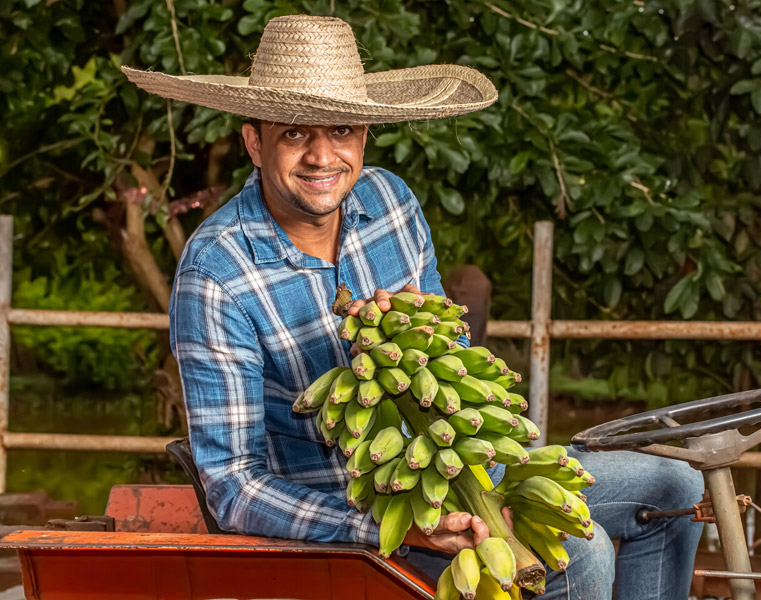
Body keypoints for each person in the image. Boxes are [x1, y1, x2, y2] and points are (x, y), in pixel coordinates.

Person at [123, 14, 704, 599]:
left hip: (462, 467)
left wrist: (420, 330)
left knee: (675, 483)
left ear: (366, 135)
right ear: (255, 142)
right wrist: (398, 529)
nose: (323, 157)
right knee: (582, 552)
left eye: (342, 131)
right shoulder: (216, 271)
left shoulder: (390, 202)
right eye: (296, 133)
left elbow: (452, 361)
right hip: (354, 511)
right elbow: (233, 486)